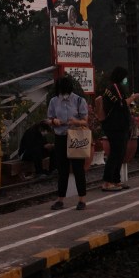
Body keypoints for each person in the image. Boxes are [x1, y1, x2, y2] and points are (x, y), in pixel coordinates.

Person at [47, 76, 89, 210]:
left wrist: (75, 121)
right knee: (62, 169)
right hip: (60, 137)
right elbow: (49, 119)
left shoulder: (78, 100)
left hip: (75, 137)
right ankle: (60, 199)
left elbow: (85, 121)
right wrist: (54, 121)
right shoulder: (54, 101)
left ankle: (82, 199)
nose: (63, 93)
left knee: (78, 169)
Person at [100, 67, 139, 191]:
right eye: (124, 77)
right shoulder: (114, 87)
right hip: (115, 125)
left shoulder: (112, 87)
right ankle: (107, 181)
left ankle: (116, 180)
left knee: (120, 153)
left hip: (118, 125)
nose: (125, 79)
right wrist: (133, 98)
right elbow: (121, 104)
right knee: (115, 153)